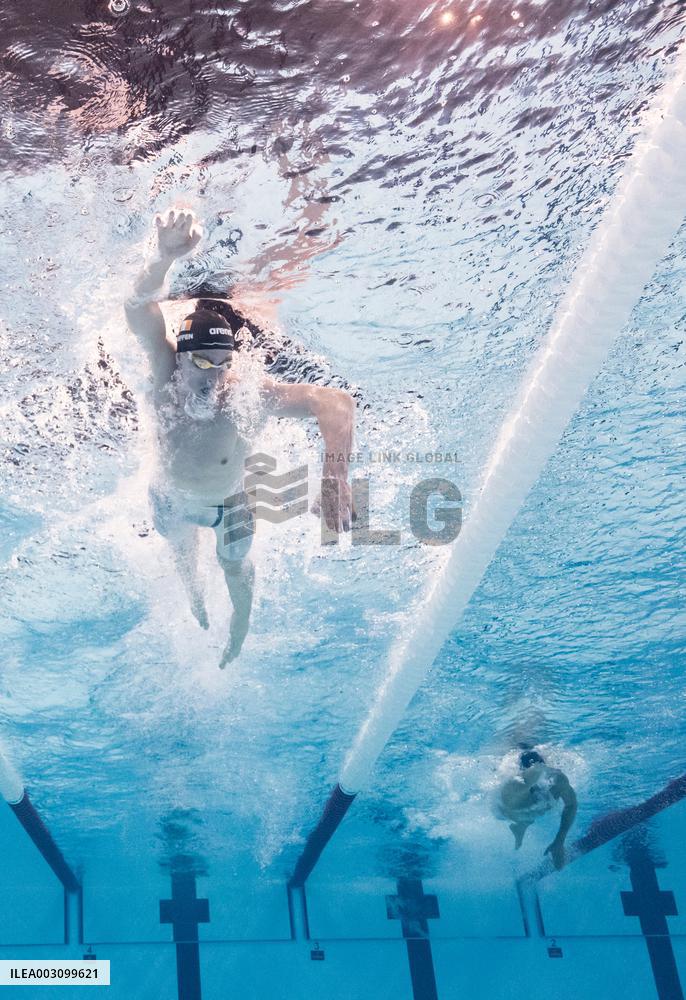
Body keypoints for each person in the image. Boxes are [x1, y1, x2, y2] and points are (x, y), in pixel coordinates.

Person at [125, 209, 355, 668]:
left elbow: (335, 402)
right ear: (180, 356)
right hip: (169, 498)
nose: (213, 377)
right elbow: (137, 309)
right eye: (202, 363)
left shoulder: (245, 392)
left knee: (234, 567)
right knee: (183, 556)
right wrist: (163, 258)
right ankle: (195, 600)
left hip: (230, 506)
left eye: (223, 363)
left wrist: (335, 478)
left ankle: (239, 628)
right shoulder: (163, 372)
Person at [495, 750, 577, 869]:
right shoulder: (513, 787)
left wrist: (559, 841)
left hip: (530, 788)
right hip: (507, 808)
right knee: (518, 808)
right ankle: (520, 825)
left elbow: (571, 804)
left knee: (548, 799)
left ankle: (521, 826)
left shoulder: (557, 779)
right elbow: (530, 776)